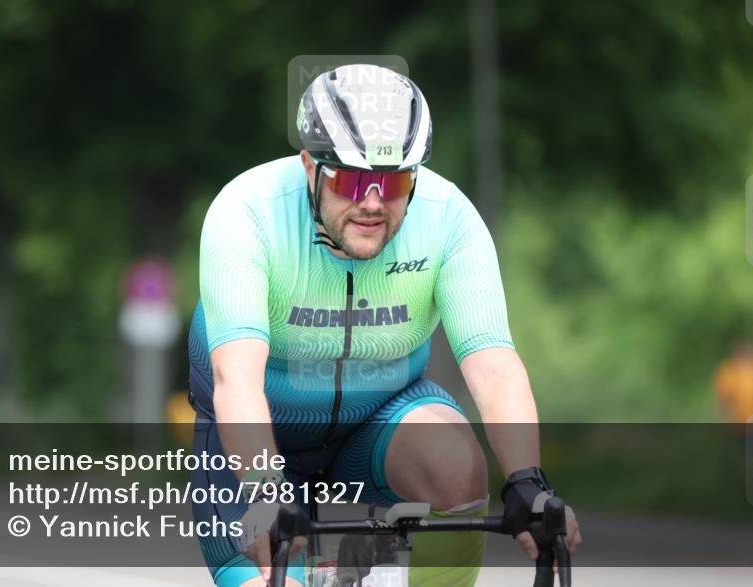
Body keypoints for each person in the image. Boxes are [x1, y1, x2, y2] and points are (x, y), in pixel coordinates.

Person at [187, 64, 580, 586]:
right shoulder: (247, 211)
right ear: (310, 167)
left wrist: (528, 484)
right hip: (260, 425)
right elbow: (237, 378)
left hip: (379, 415)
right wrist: (263, 491)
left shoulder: (448, 217)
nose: (372, 202)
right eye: (352, 180)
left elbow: (494, 366)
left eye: (393, 181)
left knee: (458, 465)